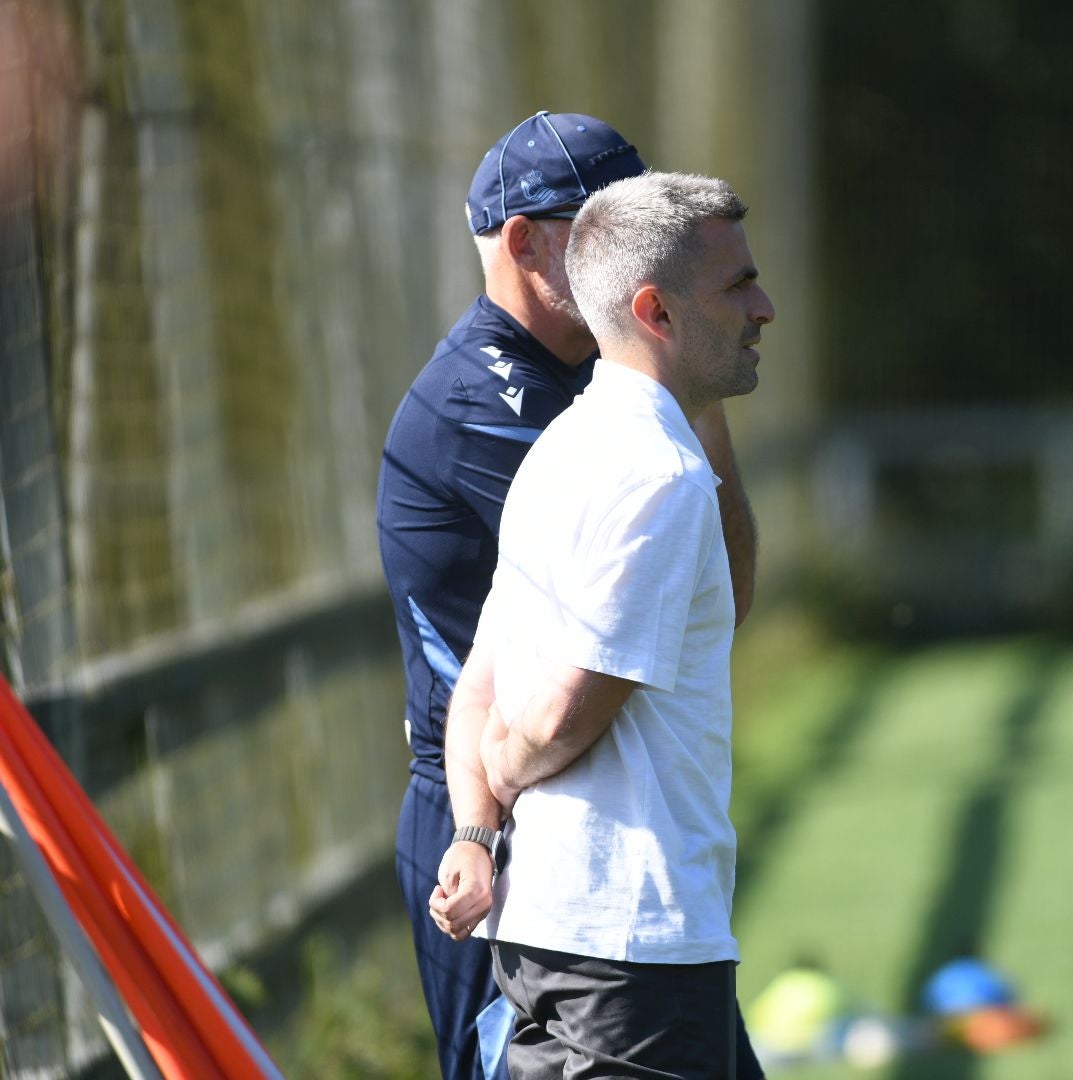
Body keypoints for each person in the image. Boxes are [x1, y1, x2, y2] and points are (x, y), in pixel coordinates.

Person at [376, 113, 759, 1079]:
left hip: (554, 811)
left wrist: (691, 385)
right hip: (505, 814)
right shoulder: (511, 409)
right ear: (529, 243)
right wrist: (490, 796)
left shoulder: (605, 405)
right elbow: (565, 692)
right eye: (607, 215)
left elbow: (714, 584)